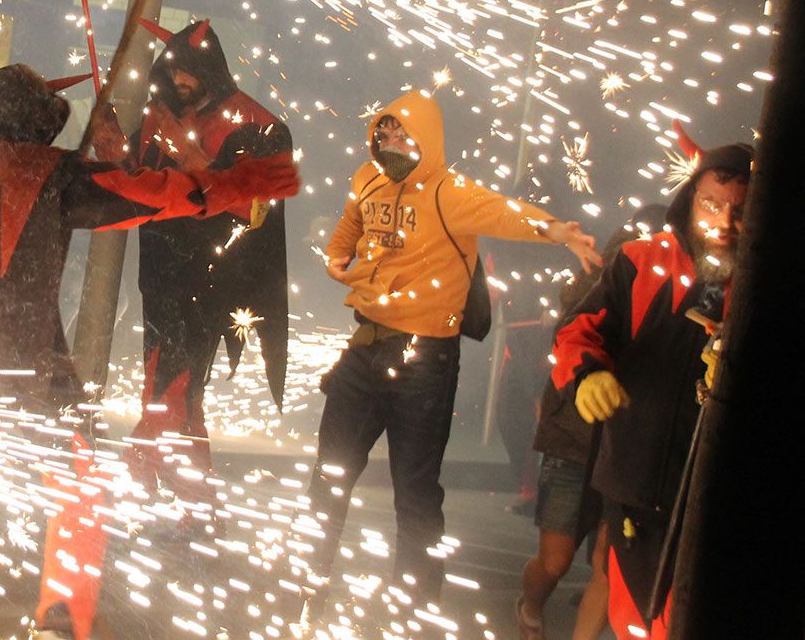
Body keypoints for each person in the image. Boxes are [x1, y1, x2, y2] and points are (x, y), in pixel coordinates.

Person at [0, 64, 300, 640]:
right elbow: (150, 194)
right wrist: (235, 184)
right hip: (31, 370)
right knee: (80, 486)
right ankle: (62, 619)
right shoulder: (50, 172)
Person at [305, 90, 601, 608]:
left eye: (404, 136)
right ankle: (308, 580)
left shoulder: (449, 192)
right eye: (385, 135)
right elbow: (350, 226)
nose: (392, 144)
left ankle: (414, 604)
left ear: (427, 138)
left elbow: (505, 213)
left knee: (415, 491)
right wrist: (336, 258)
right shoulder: (367, 179)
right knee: (329, 475)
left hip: (425, 360)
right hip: (365, 348)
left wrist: (558, 231)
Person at [550, 130, 751, 640]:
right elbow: (576, 332)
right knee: (636, 624)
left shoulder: (767, 281)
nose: (724, 222)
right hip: (634, 486)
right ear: (691, 199)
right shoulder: (641, 260)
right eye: (712, 204)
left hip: (719, 499)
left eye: (740, 210)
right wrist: (587, 376)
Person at [90, 18, 293, 490]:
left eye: (190, 70)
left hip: (212, 283)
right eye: (173, 70)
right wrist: (113, 144)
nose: (179, 79)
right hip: (159, 277)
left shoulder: (254, 123)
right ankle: (193, 508)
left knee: (170, 393)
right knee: (177, 394)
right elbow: (138, 180)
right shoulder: (160, 115)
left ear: (210, 68)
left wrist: (195, 157)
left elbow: (257, 208)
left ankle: (138, 480)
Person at [516, 206, 666, 640]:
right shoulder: (596, 287)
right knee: (555, 560)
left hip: (626, 450)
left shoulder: (675, 297)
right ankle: (530, 607)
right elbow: (570, 344)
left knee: (607, 564)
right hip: (573, 444)